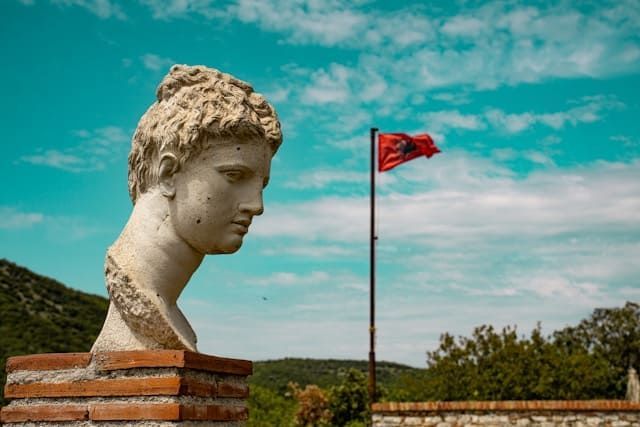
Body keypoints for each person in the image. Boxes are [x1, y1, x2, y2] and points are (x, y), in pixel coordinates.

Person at [91, 65, 282, 353]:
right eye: (234, 176)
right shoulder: (143, 305)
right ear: (169, 174)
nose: (257, 206)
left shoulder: (168, 312)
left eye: (261, 185)